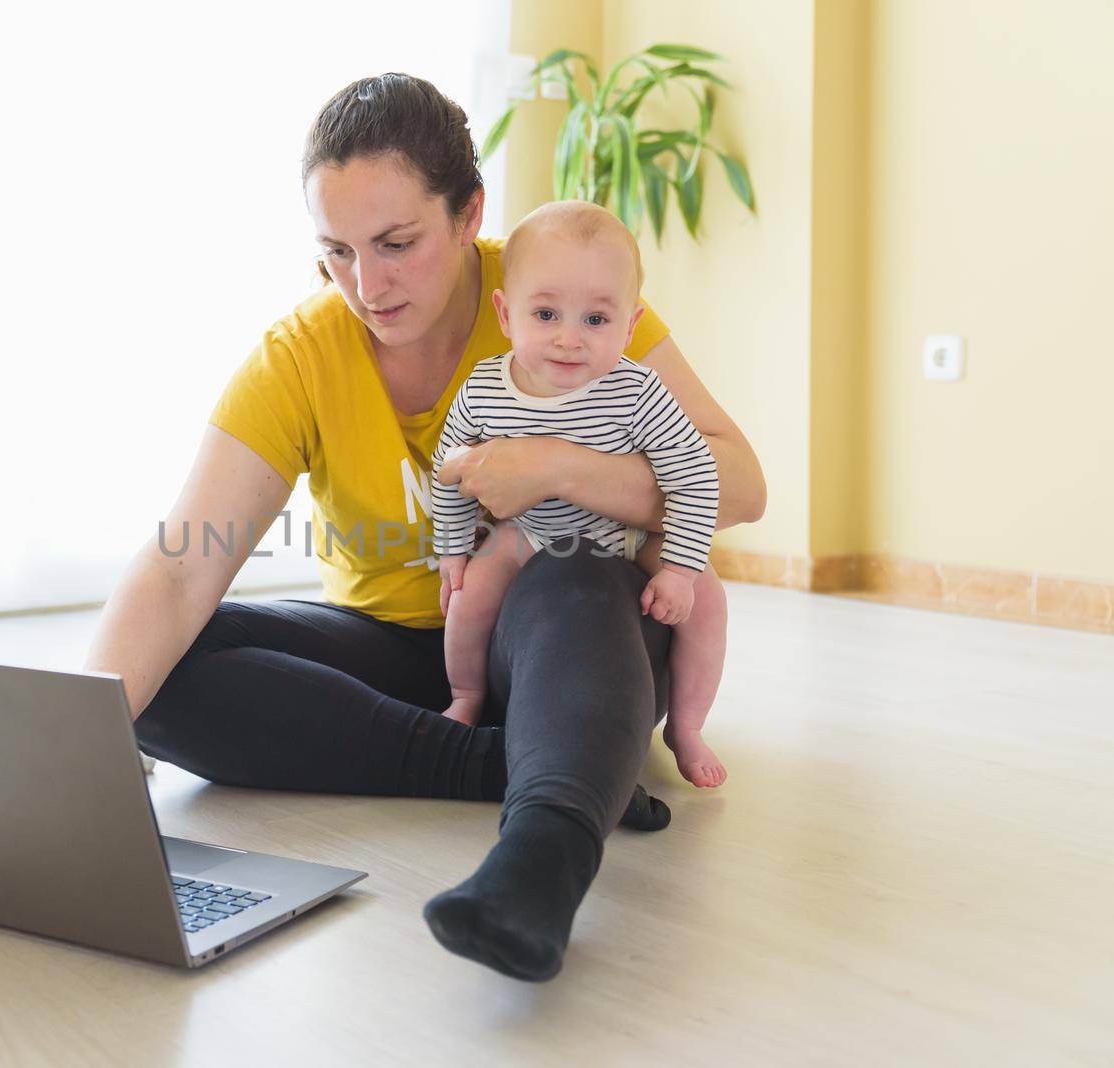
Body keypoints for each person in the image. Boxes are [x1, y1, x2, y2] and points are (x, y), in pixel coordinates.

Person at [84, 73, 766, 982]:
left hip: (564, 632)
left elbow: (744, 482)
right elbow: (179, 568)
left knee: (565, 565)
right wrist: (75, 753)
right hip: (409, 651)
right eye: (336, 251)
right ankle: (496, 762)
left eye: (396, 243)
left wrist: (558, 468)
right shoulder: (301, 353)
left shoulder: (557, 300)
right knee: (166, 669)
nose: (367, 284)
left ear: (467, 213)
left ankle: (542, 857)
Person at [432, 201, 729, 791]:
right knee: (469, 596)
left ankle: (687, 727)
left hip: (626, 535)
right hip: (529, 531)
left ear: (630, 321)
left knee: (708, 599)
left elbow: (694, 476)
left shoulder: (637, 392)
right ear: (506, 314)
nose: (569, 339)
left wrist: (677, 568)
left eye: (596, 320)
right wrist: (452, 551)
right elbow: (451, 472)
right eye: (546, 314)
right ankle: (465, 696)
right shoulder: (486, 389)